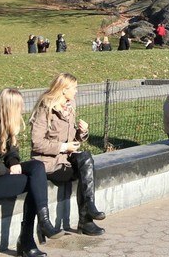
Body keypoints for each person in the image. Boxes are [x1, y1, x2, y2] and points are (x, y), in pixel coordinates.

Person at [0, 89, 63, 257]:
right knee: (34, 183)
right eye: (20, 106)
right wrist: (6, 169)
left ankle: (44, 221)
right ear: (10, 108)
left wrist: (14, 162)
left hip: (0, 174)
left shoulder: (5, 121)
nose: (23, 110)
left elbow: (11, 152)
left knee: (37, 167)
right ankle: (27, 240)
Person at [29, 73, 106, 235]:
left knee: (86, 158)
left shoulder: (70, 106)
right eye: (74, 88)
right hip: (50, 164)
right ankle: (86, 218)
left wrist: (82, 133)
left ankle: (88, 211)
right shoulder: (45, 108)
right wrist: (64, 147)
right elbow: (37, 142)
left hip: (66, 160)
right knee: (86, 167)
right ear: (64, 90)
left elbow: (72, 139)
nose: (76, 91)